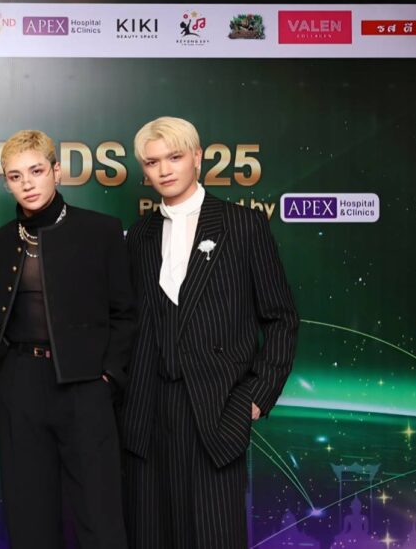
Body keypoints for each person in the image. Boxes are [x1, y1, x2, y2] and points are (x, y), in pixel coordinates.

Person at [121, 116, 298, 549]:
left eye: (174, 157)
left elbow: (281, 318)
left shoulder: (243, 225)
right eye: (152, 162)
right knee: (150, 536)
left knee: (214, 536)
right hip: (147, 413)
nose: (164, 170)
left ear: (197, 158)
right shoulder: (139, 236)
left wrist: (255, 398)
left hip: (217, 410)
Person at [0, 130, 137, 549]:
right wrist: (6, 378)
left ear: (56, 171)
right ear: (7, 182)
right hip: (21, 385)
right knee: (29, 513)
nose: (27, 184)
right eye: (15, 176)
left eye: (36, 171)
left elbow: (124, 313)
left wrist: (107, 378)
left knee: (99, 515)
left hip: (85, 385)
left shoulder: (101, 231)